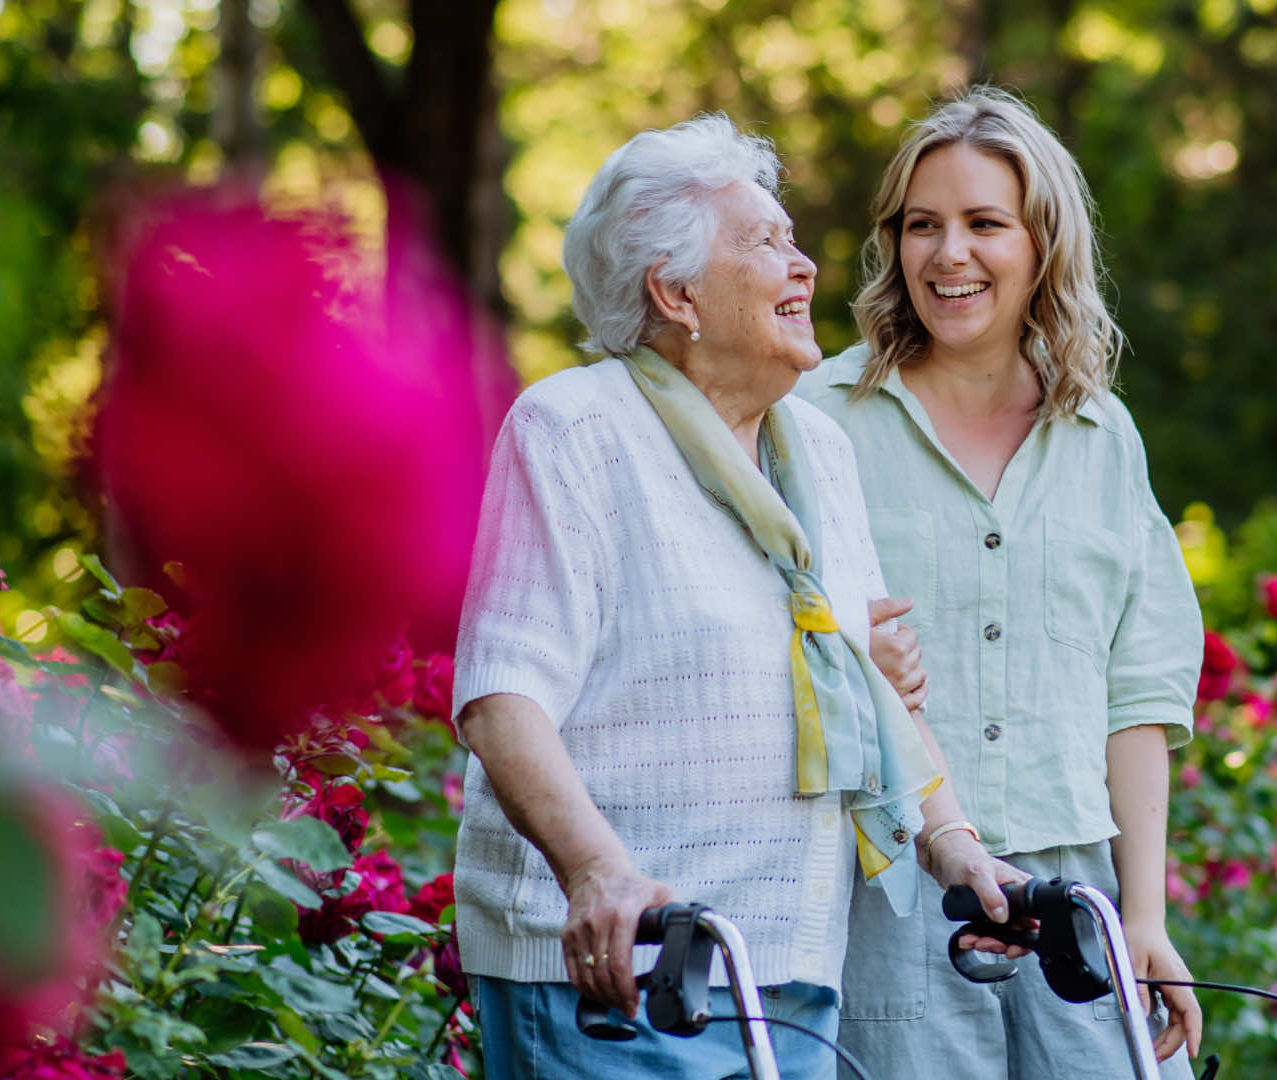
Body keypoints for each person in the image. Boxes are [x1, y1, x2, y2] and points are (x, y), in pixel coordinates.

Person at [451, 113, 1025, 1080]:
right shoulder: (577, 430)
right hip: (620, 973)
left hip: (787, 968)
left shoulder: (817, 451)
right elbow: (502, 695)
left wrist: (957, 845)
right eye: (766, 243)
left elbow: (863, 685)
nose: (804, 267)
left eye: (793, 239)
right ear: (676, 292)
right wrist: (598, 871)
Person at [795, 86, 1206, 1079]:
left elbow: (1137, 696)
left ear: (1043, 245)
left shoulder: (1104, 438)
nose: (949, 255)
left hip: (1076, 899)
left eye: (985, 224)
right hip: (893, 893)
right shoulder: (815, 421)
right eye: (922, 225)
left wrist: (1142, 919)